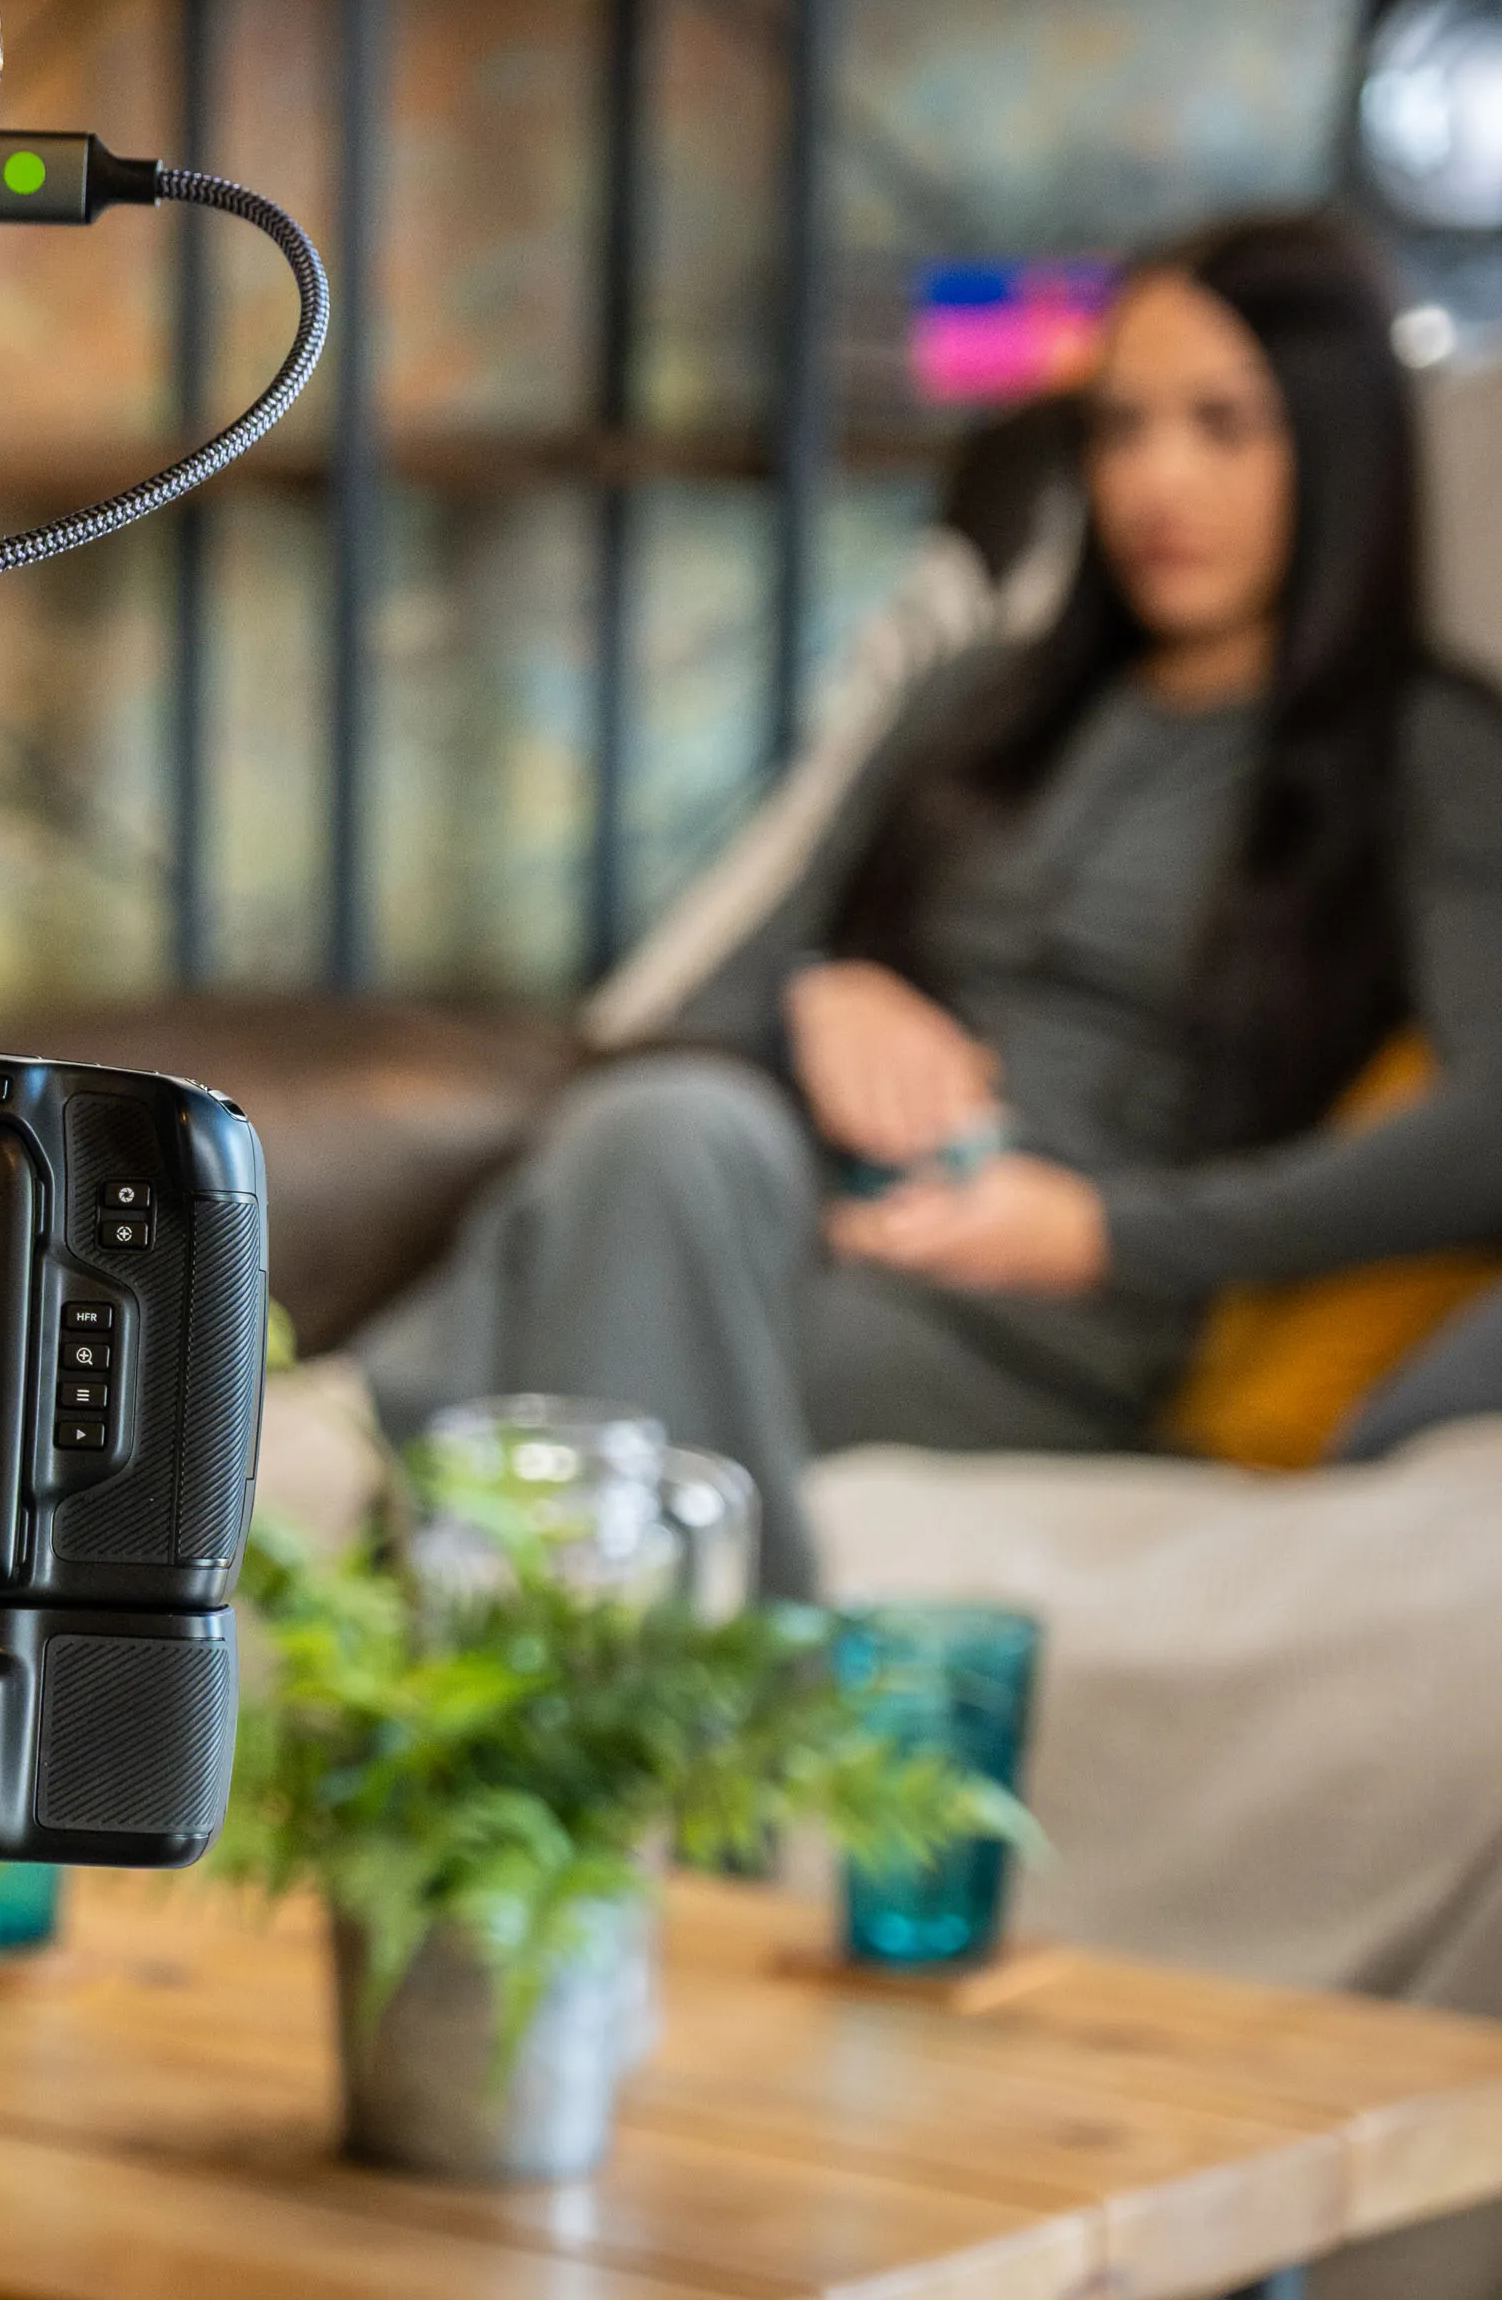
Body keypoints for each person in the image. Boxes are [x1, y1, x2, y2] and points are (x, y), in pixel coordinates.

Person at [358, 213, 1502, 1601]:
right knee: (663, 1129)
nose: (1157, 480)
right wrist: (825, 998)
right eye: (1121, 427)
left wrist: (1103, 1233)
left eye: (1224, 426)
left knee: (534, 1314)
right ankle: (702, 1748)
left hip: (1050, 1318)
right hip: (786, 1214)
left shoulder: (1423, 751)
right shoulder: (983, 700)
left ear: (1342, 447)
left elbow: (1484, 1132)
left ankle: (400, 1477)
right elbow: (695, 1024)